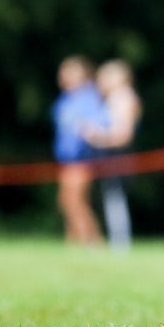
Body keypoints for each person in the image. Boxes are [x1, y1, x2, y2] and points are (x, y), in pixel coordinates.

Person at [84, 59, 142, 253]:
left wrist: (96, 136)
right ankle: (118, 243)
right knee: (113, 199)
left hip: (118, 156)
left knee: (115, 199)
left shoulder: (122, 97)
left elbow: (122, 135)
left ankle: (120, 245)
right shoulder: (117, 98)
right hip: (113, 156)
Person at [52, 56, 108, 247]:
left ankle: (91, 242)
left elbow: (100, 124)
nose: (64, 76)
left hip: (83, 159)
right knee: (66, 201)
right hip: (66, 160)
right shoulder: (65, 100)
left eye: (70, 71)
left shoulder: (89, 97)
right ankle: (74, 241)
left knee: (75, 201)